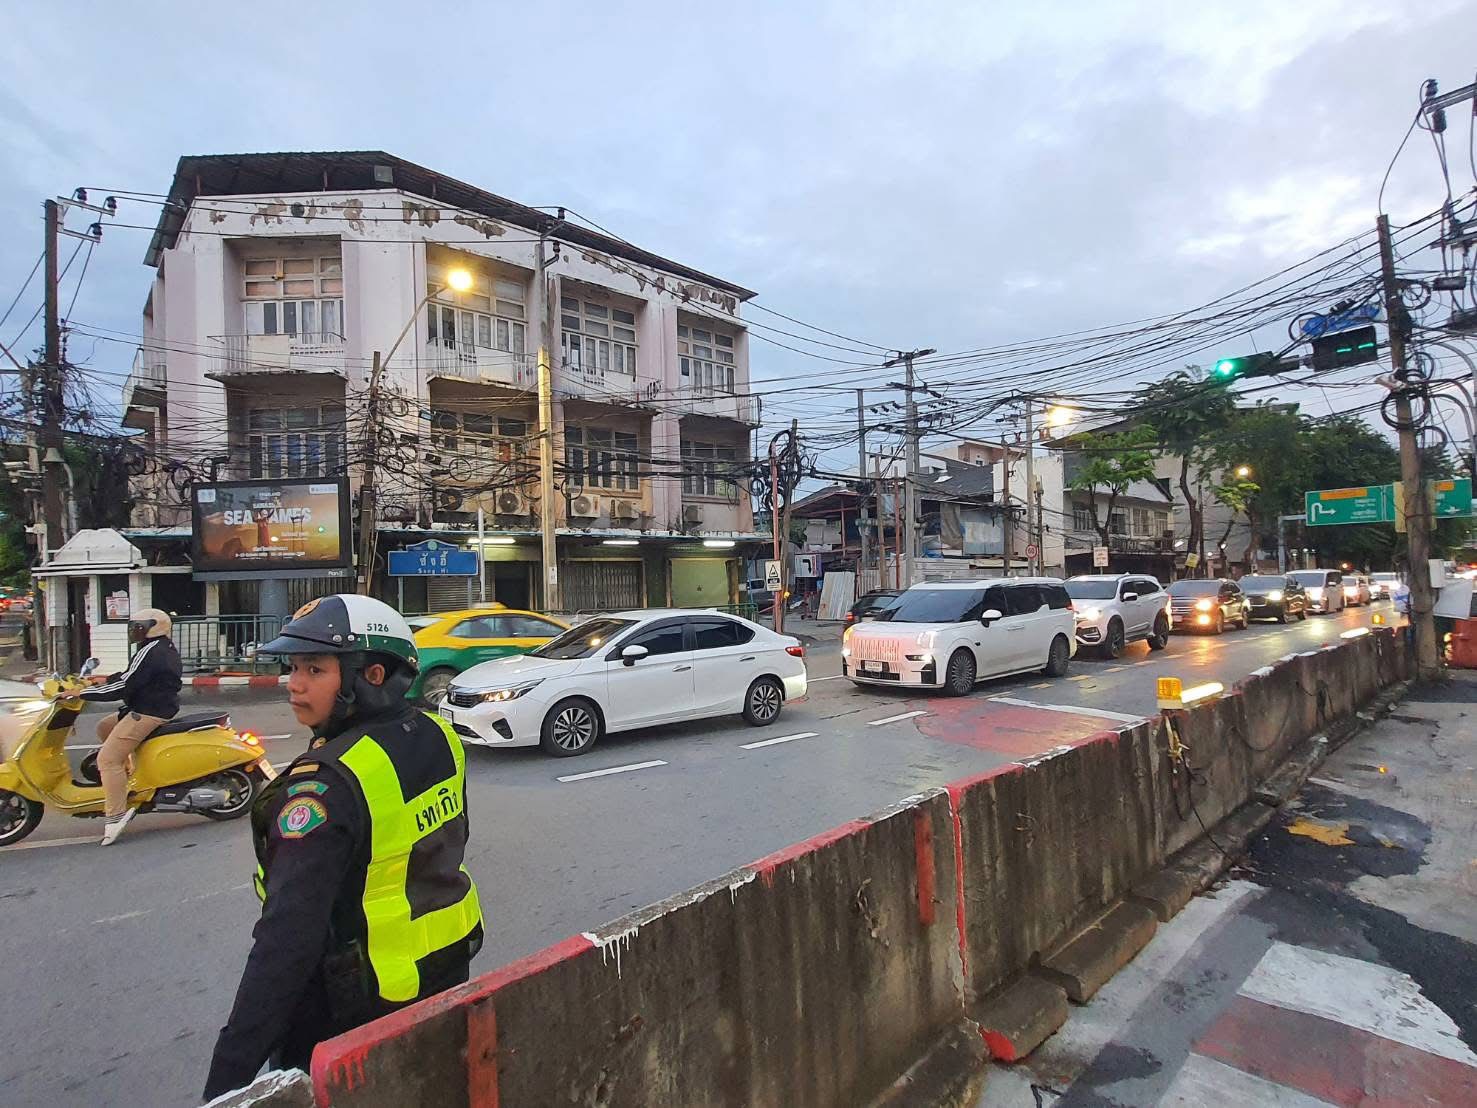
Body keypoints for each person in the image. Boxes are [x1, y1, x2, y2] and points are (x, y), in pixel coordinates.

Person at [204, 595, 482, 1099]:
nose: (294, 683)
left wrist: (227, 1082)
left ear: (372, 676)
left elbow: (286, 942)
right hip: (443, 973)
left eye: (315, 669)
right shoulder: (440, 735)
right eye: (293, 667)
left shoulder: (326, 786)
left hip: (351, 1011)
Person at [80, 607, 182, 846]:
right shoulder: (156, 647)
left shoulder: (152, 651)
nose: (134, 631)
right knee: (104, 727)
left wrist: (82, 693)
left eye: (139, 627)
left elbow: (124, 686)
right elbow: (130, 676)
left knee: (107, 759)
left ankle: (116, 815)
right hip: (151, 707)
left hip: (148, 712)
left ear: (153, 627)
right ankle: (126, 775)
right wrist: (102, 680)